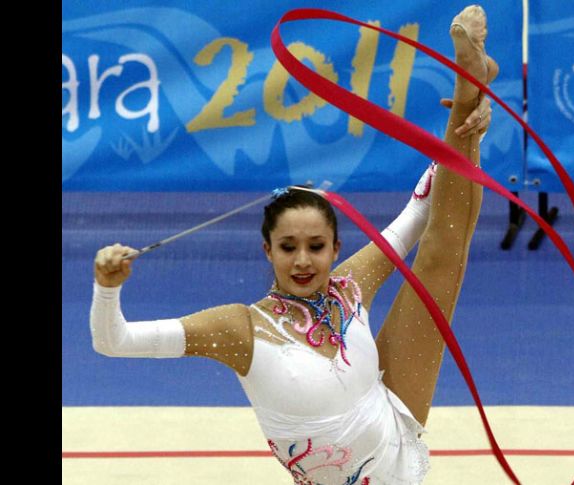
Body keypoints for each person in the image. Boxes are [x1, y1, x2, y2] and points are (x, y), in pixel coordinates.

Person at [90, 5, 498, 484]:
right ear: (268, 250)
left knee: (439, 257)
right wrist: (107, 288)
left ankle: (468, 88)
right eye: (288, 247)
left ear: (335, 246)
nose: (303, 261)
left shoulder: (348, 288)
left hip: (390, 420)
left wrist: (467, 128)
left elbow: (421, 209)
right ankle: (470, 93)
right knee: (439, 250)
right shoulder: (241, 329)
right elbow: (112, 342)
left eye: (316, 246)